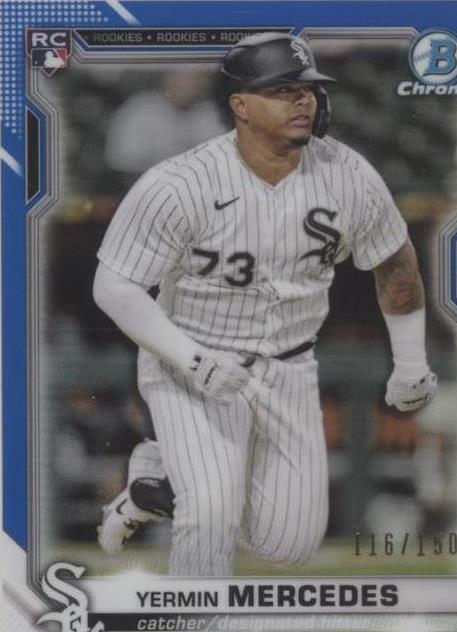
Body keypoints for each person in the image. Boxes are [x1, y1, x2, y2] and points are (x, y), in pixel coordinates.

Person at [93, 33, 437, 575]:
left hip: (289, 367)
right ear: (241, 105)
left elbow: (395, 261)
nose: (302, 100)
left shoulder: (347, 175)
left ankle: (157, 483)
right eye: (281, 91)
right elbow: (113, 286)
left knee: (287, 545)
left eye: (307, 89)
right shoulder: (179, 183)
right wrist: (192, 359)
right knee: (210, 514)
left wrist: (411, 362)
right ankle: (190, 624)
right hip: (192, 361)